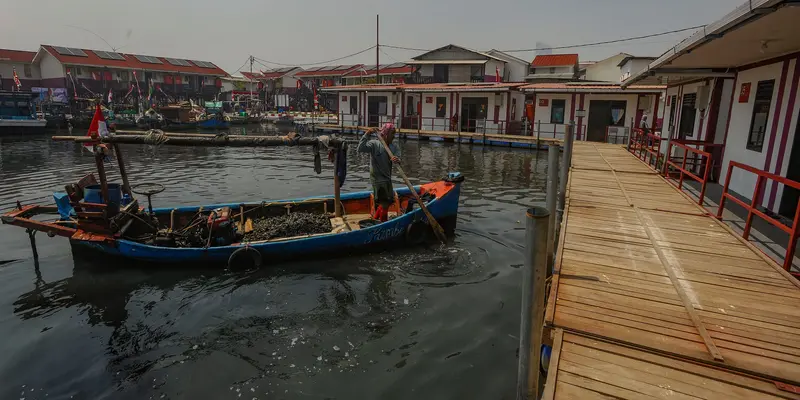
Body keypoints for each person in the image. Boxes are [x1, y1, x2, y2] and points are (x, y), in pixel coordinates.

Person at [358, 123, 401, 222]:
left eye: (394, 134)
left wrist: (397, 160)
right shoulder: (374, 144)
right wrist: (367, 133)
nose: (394, 136)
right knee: (385, 204)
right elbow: (360, 148)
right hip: (377, 179)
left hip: (387, 178)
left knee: (388, 202)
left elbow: (399, 159)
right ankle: (383, 225)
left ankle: (375, 219)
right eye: (392, 134)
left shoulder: (394, 147)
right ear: (386, 134)